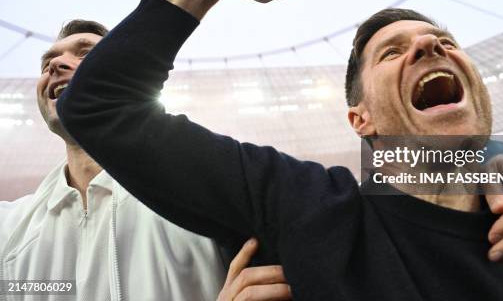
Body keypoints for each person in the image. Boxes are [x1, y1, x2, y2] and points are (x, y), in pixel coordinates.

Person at [57, 0, 503, 300]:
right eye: (391, 52)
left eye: (442, 40)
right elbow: (99, 103)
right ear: (359, 119)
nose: (428, 48)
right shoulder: (301, 203)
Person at [0, 20, 291, 301]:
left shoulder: (203, 193)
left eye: (86, 53)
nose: (54, 65)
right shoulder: (9, 229)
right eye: (47, 62)